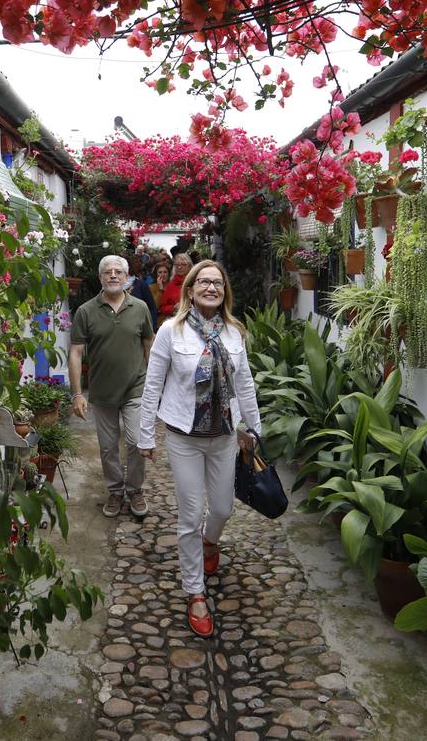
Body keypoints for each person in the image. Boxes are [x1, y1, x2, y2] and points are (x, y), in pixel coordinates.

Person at [138, 260, 261, 638]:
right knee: (190, 515)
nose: (211, 287)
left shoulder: (234, 333)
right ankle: (195, 591)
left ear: (224, 292)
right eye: (203, 282)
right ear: (189, 290)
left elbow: (245, 386)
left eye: (218, 283)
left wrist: (254, 429)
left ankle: (211, 543)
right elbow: (153, 384)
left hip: (224, 436)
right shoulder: (170, 332)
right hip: (184, 438)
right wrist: (146, 435)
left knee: (222, 508)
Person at [70, 255, 155, 518]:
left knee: (136, 440)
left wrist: (154, 386)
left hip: (135, 387)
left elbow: (149, 346)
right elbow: (75, 353)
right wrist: (76, 394)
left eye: (119, 271)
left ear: (127, 277)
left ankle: (135, 489)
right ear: (100, 277)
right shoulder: (86, 311)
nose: (114, 276)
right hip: (102, 391)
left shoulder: (140, 308)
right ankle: (116, 491)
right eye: (108, 272)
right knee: (107, 447)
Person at [125, 254, 159, 330]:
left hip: (138, 330)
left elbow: (151, 308)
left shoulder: (140, 284)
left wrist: (152, 329)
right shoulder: (109, 287)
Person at [158, 253, 192, 322]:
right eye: (177, 265)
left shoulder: (196, 282)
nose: (179, 267)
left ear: (189, 266)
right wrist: (173, 308)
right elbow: (162, 307)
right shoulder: (171, 285)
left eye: (183, 264)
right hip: (176, 322)